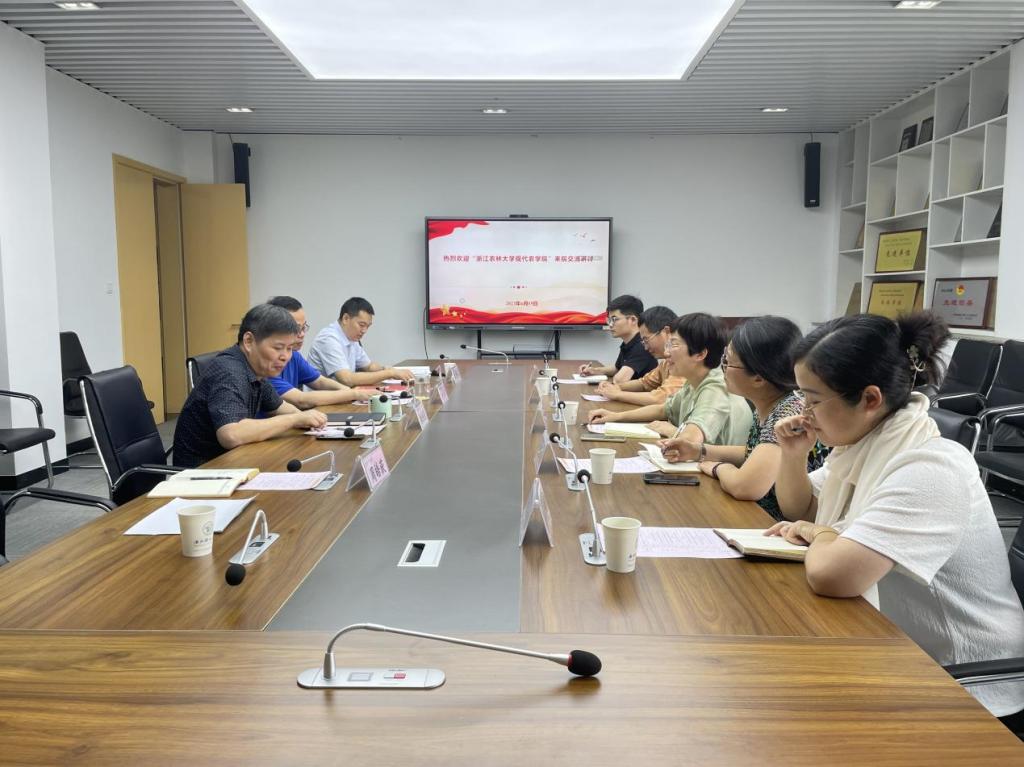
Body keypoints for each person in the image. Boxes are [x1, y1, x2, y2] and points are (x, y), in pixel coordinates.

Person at [766, 312, 1024, 723]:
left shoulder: (931, 467)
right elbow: (801, 510)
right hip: (899, 646)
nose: (804, 412)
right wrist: (794, 457)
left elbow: (833, 575)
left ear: (870, 399)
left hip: (967, 681)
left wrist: (824, 533)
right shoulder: (865, 444)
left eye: (813, 400)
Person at [659, 316, 828, 520]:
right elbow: (757, 453)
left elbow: (745, 486)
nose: (722, 367)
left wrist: (719, 468)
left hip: (771, 525)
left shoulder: (790, 413)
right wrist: (699, 451)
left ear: (758, 378)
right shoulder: (770, 404)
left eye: (728, 361)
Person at [172, 304, 328, 468]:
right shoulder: (229, 372)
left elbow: (280, 407)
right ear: (248, 341)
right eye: (278, 348)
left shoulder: (256, 371)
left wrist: (308, 419)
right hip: (204, 472)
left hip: (234, 463)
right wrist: (294, 420)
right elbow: (231, 434)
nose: (285, 357)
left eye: (289, 349)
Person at [589, 313, 751, 443]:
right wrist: (615, 416)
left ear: (700, 354)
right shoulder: (694, 381)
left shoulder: (715, 386)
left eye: (673, 344)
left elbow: (691, 440)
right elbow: (664, 409)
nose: (666, 353)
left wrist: (672, 430)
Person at [265, 296, 374, 409]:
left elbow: (320, 381)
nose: (302, 334)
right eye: (296, 328)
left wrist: (350, 392)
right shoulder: (265, 365)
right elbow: (301, 400)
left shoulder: (294, 355)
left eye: (303, 327)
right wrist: (353, 394)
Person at [308, 297, 415, 387]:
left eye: (368, 326)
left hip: (342, 396)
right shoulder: (328, 339)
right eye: (361, 325)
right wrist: (389, 373)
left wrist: (386, 368)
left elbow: (369, 366)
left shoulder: (351, 337)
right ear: (345, 318)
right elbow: (346, 379)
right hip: (321, 401)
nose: (364, 331)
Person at [595, 305, 685, 406]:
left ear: (666, 332)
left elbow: (660, 399)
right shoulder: (666, 363)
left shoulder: (685, 360)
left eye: (646, 340)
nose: (645, 348)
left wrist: (618, 394)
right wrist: (617, 387)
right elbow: (644, 383)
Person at [578, 294, 657, 383]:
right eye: (609, 320)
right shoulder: (629, 342)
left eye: (614, 319)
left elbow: (619, 380)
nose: (610, 324)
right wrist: (594, 370)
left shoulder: (642, 345)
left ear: (633, 320)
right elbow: (617, 368)